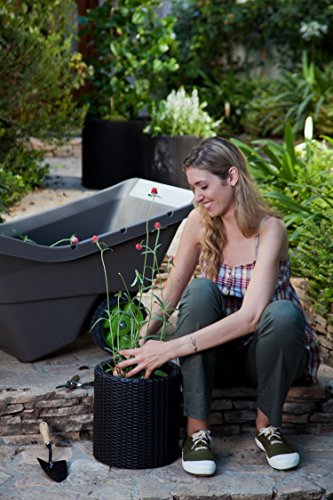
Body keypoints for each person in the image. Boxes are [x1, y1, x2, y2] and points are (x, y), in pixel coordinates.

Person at [117, 137, 320, 476]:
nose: (197, 196)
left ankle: (268, 427)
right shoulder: (200, 222)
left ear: (232, 177)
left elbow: (252, 317)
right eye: (194, 188)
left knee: (283, 314)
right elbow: (172, 293)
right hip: (219, 354)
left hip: (270, 356)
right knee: (199, 291)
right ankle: (197, 432)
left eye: (203, 186)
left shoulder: (271, 230)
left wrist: (170, 348)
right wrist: (142, 339)